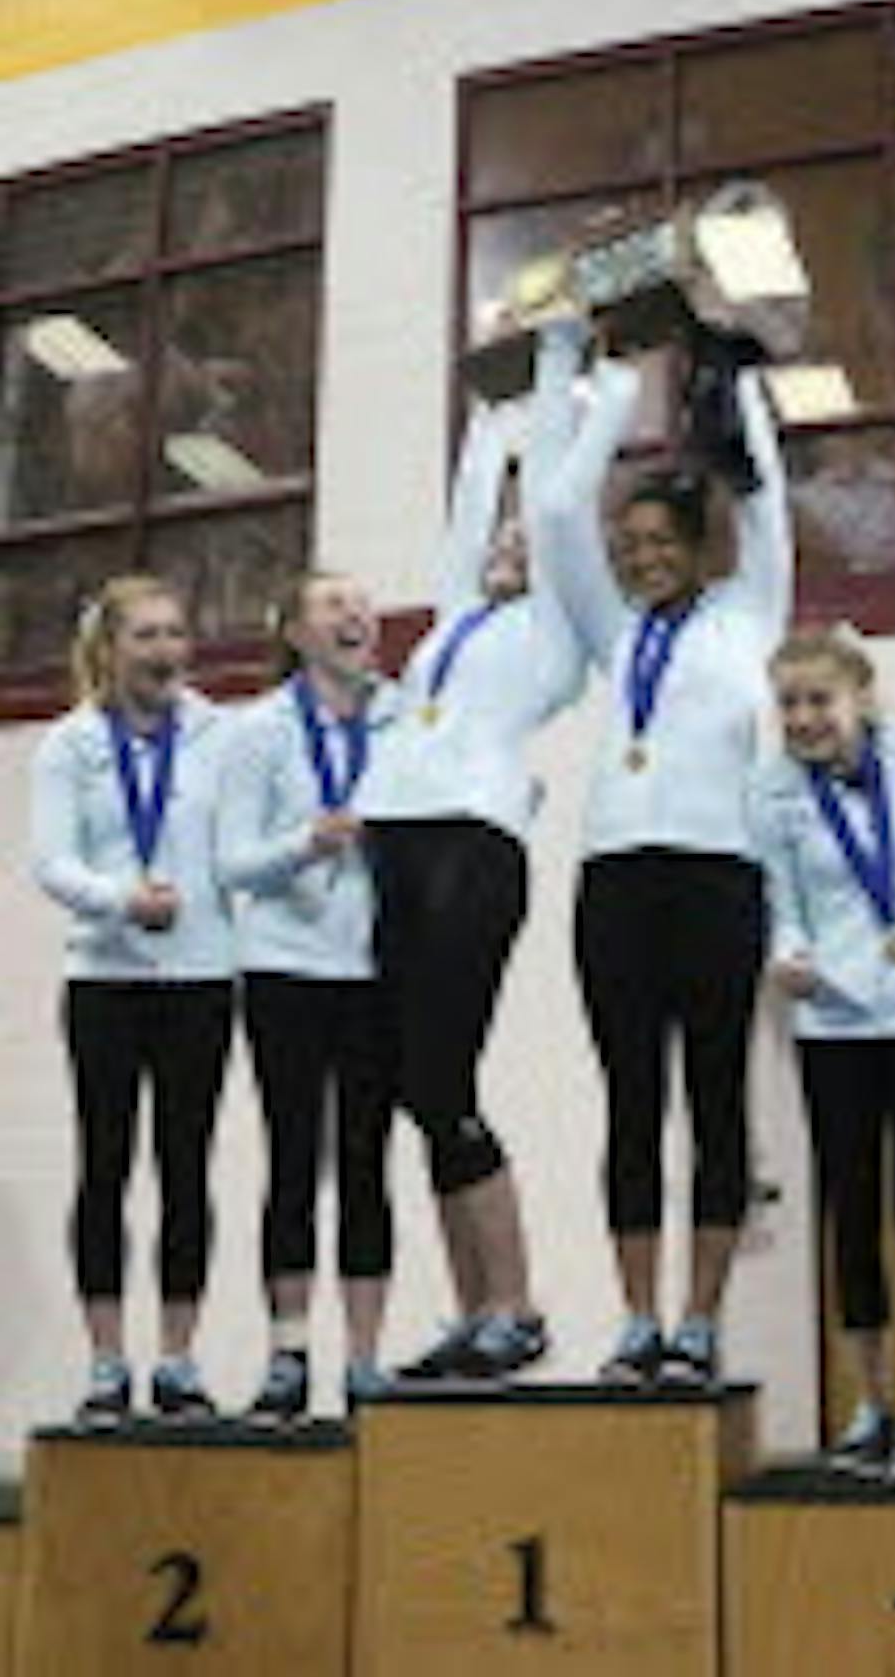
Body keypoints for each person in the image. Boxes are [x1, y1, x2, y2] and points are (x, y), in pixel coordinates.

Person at [528, 338, 790, 1388]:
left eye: (655, 539)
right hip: (617, 883)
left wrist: (741, 383)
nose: (638, 556)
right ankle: (638, 1321)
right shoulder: (611, 627)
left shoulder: (749, 613)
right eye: (626, 541)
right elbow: (554, 515)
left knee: (716, 1098)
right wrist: (600, 386)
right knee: (632, 1099)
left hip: (720, 876)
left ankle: (701, 1321)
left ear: (696, 543)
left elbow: (764, 498)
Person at [354, 323, 590, 1381]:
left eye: (522, 546)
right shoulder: (454, 624)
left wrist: (554, 376)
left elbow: (548, 502)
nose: (505, 548)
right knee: (416, 1087)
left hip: (471, 849)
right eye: (500, 542)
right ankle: (476, 1313)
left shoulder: (557, 634)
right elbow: (466, 526)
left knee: (441, 1077)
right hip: (396, 846)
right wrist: (483, 429)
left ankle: (519, 1305)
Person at [753, 627, 895, 1485]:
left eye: (820, 700)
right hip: (835, 1019)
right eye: (790, 704)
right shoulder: (773, 793)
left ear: (863, 698)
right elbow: (782, 897)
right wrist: (788, 949)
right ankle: (868, 1404)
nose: (805, 719)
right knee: (850, 1212)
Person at [30, 575, 235, 1423]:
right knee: (105, 1164)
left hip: (200, 978)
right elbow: (52, 859)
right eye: (146, 636)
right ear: (109, 649)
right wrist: (120, 897)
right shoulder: (70, 745)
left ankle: (179, 1360)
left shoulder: (219, 734)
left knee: (186, 1167)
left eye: (176, 635)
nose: (165, 653)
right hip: (105, 980)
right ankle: (109, 1362)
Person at [217, 570, 404, 1415]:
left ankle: (365, 1355)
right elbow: (231, 863)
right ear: (294, 631)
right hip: (285, 964)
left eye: (361, 604)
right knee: (295, 1156)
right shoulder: (257, 731)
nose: (354, 614)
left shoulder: (404, 717)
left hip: (374, 968)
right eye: (333, 605)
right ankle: (289, 1350)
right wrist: (306, 841)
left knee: (367, 1159)